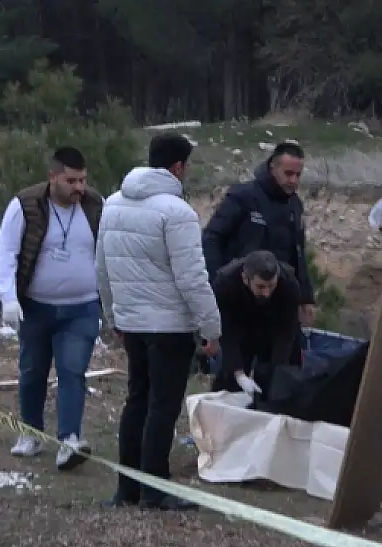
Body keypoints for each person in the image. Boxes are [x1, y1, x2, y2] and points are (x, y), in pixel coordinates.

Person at [96, 133, 220, 511]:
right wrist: (211, 328)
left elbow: (102, 266)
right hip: (169, 325)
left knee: (137, 401)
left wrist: (112, 314)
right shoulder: (178, 212)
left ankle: (127, 488)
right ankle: (155, 487)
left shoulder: (113, 203)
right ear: (179, 167)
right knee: (162, 407)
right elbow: (192, 277)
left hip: (132, 322)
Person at [0, 147, 103, 471]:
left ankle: (69, 440)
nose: (78, 187)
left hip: (82, 307)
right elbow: (5, 253)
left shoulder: (96, 205)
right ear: (53, 177)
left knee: (72, 371)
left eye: (82, 180)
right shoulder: (25, 205)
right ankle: (31, 433)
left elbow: (108, 253)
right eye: (71, 180)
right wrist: (8, 298)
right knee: (32, 371)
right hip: (36, 307)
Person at [202, 142, 316, 326]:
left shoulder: (295, 205)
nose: (293, 180)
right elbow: (211, 238)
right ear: (273, 167)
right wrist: (217, 284)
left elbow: (298, 253)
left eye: (298, 175)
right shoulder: (243, 196)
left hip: (278, 297)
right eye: (288, 174)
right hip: (239, 295)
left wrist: (306, 297)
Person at [211, 250, 301, 396]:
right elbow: (226, 331)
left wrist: (277, 372)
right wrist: (238, 373)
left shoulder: (290, 284)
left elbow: (286, 333)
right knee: (229, 384)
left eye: (271, 286)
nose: (267, 293)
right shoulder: (225, 283)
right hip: (240, 325)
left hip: (274, 326)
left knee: (278, 381)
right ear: (245, 278)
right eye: (260, 287)